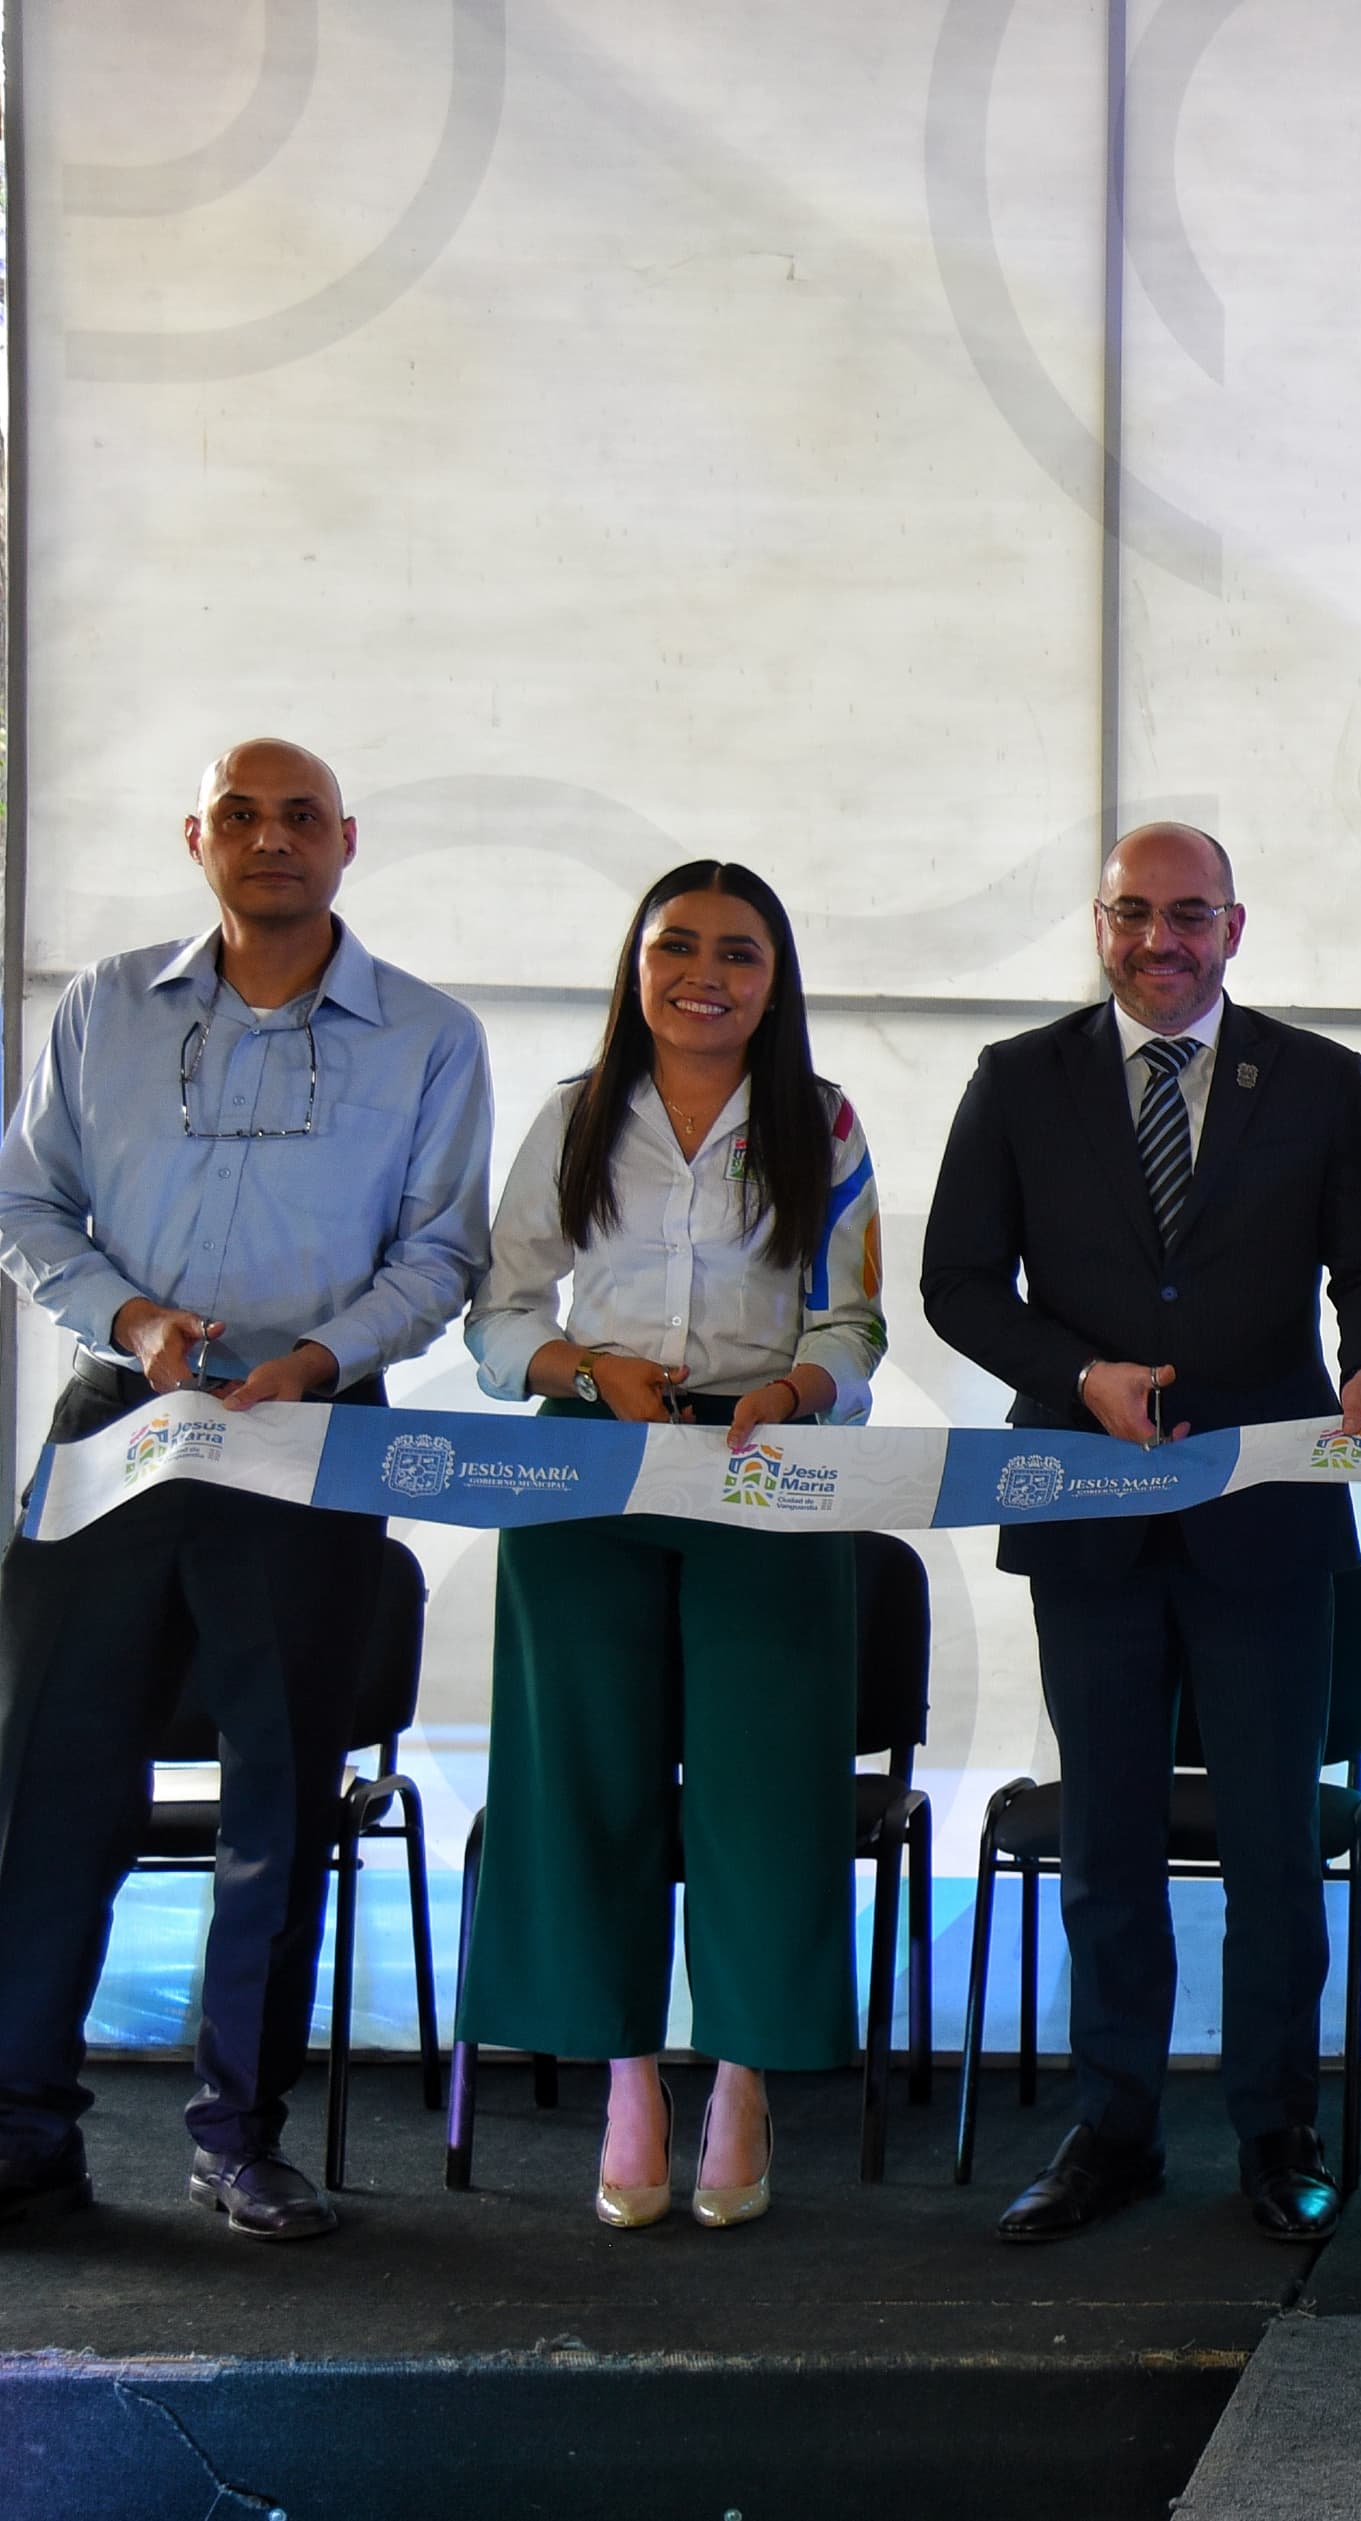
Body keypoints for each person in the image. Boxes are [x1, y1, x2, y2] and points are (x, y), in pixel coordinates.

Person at [0, 739, 491, 2242]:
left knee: (278, 1801)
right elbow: (27, 1201)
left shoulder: (430, 1035)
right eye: (240, 815)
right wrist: (136, 1323)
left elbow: (442, 1254)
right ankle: (21, 2130)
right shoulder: (104, 1004)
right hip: (120, 1426)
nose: (269, 837)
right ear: (195, 837)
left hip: (311, 1434)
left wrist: (320, 1360)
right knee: (48, 1786)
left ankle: (239, 2137)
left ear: (346, 840)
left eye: (299, 817)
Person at [921, 822, 1361, 2244]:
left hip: (1267, 1516)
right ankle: (1114, 2126)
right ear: (1099, 924)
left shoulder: (1317, 1079)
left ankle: (1277, 2128)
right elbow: (959, 1280)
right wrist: (1078, 1372)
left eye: (1189, 914)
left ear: (1234, 928)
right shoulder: (1017, 1079)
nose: (1161, 940)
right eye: (1134, 913)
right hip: (1087, 1512)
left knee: (1275, 1846)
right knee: (1107, 1845)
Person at [457, 863, 884, 2231]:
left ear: (777, 978)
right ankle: (628, 2080)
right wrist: (583, 1368)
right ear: (636, 965)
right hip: (590, 1464)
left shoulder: (823, 1120)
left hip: (767, 1467)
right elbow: (498, 1317)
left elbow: (854, 1324)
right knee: (587, 1777)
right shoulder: (575, 1115)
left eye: (738, 953)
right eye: (677, 947)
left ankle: (742, 2080)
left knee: (765, 1789)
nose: (705, 975)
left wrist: (799, 1389)